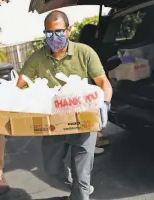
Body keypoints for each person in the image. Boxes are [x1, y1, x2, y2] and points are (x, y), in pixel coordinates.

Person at [16, 10, 112, 200]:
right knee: (52, 169)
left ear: (69, 30)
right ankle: (77, 188)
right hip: (53, 123)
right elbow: (18, 86)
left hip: (83, 119)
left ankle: (80, 191)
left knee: (82, 174)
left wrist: (105, 104)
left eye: (59, 31)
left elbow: (103, 83)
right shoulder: (38, 58)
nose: (54, 37)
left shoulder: (84, 52)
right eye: (49, 33)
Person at [78, 24, 111, 155]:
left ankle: (95, 138)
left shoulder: (81, 47)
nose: (99, 37)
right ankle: (91, 144)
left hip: (84, 83)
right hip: (87, 84)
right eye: (96, 34)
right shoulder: (89, 49)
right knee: (91, 111)